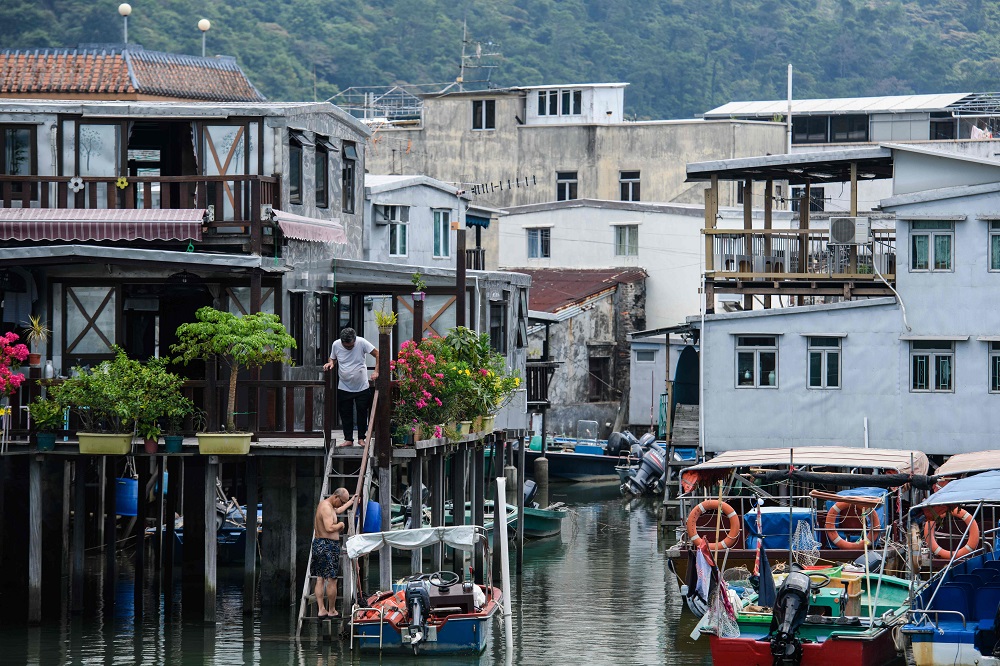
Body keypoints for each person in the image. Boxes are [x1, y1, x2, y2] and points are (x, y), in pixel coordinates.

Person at [323, 327, 379, 447]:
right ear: (342, 341)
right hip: (344, 385)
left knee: (362, 412)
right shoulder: (336, 344)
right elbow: (332, 358)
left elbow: (377, 354)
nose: (349, 348)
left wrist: (376, 371)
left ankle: (361, 438)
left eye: (351, 346)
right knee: (345, 413)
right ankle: (348, 439)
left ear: (355, 340)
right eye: (347, 346)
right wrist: (331, 363)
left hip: (362, 385)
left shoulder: (362, 342)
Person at [311, 487, 358, 617]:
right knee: (332, 579)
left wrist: (351, 501)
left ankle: (321, 610)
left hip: (319, 544)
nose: (342, 504)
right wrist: (341, 525)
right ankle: (331, 610)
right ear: (336, 497)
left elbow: (338, 510)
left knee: (320, 578)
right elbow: (329, 527)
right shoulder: (326, 507)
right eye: (342, 501)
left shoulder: (328, 505)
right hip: (327, 546)